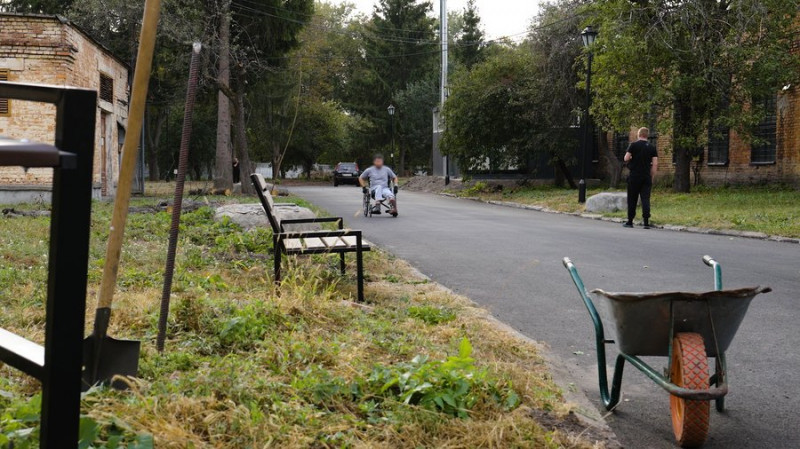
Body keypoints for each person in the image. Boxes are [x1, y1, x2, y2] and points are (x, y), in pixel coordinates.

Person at [623, 127, 658, 229]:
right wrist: (652, 175)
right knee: (645, 199)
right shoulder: (652, 147)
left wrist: (632, 158)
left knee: (632, 198)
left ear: (639, 134)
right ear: (647, 135)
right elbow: (655, 164)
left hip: (634, 176)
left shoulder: (633, 145)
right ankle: (646, 222)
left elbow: (626, 158)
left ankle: (630, 221)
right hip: (646, 176)